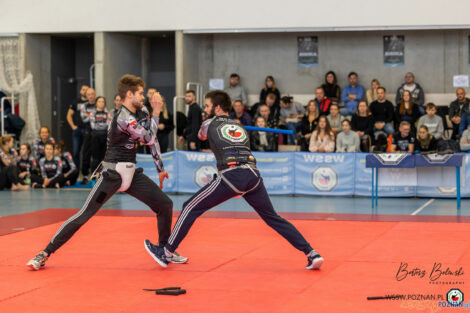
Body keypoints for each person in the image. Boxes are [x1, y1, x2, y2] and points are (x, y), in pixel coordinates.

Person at [143, 90, 323, 270]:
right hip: (253, 176)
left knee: (190, 207)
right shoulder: (241, 127)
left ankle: (166, 253)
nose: (205, 110)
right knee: (273, 218)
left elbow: (201, 136)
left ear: (218, 107)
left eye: (207, 106)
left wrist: (208, 124)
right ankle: (311, 253)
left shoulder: (209, 122)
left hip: (232, 175)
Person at [27, 74, 187, 271]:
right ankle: (45, 252)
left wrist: (160, 169)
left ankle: (163, 249)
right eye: (140, 93)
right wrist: (157, 112)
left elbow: (152, 141)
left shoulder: (142, 110)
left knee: (165, 204)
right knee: (84, 215)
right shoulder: (123, 117)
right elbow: (147, 137)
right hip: (112, 175)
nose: (144, 96)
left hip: (131, 174)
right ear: (129, 94)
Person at [66, 85, 88, 169]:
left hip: (87, 130)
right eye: (83, 89)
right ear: (80, 91)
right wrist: (73, 126)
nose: (85, 91)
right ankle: (76, 172)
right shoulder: (76, 101)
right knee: (76, 152)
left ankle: (86, 172)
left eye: (86, 90)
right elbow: (68, 115)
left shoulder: (91, 102)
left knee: (86, 153)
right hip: (77, 130)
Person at [80, 87, 97, 184]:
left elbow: (103, 118)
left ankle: (95, 174)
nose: (91, 96)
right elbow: (84, 119)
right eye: (89, 94)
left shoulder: (99, 104)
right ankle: (85, 175)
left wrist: (90, 115)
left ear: (95, 94)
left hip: (98, 133)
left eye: (92, 94)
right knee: (86, 154)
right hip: (87, 132)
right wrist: (93, 115)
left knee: (97, 155)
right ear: (86, 96)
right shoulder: (84, 106)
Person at [90, 96, 110, 173]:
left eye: (103, 102)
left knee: (104, 158)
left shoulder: (107, 113)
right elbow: (93, 126)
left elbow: (109, 124)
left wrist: (99, 124)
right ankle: (93, 177)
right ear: (96, 103)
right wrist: (103, 124)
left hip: (105, 137)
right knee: (95, 158)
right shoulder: (93, 113)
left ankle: (102, 176)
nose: (101, 103)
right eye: (99, 101)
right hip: (95, 137)